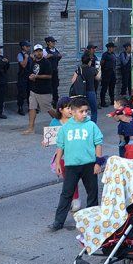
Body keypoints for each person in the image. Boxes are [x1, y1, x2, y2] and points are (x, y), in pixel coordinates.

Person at [49, 97, 103, 231]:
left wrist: (98, 163)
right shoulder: (65, 128)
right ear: (72, 112)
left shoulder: (91, 125)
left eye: (86, 111)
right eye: (81, 111)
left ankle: (92, 220)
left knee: (92, 192)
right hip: (71, 166)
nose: (85, 114)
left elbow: (98, 144)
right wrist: (57, 164)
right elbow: (60, 147)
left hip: (89, 165)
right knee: (66, 193)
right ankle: (58, 221)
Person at [46, 96, 81, 213]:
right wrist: (46, 142)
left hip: (77, 154)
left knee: (73, 178)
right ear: (60, 110)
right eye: (68, 108)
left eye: (72, 108)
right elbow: (51, 138)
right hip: (62, 156)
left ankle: (75, 199)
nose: (71, 110)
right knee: (69, 179)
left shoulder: (76, 120)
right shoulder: (55, 122)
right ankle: (74, 199)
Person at [22, 45, 54, 134]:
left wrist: (37, 76)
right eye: (37, 51)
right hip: (33, 90)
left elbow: (49, 75)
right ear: (34, 52)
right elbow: (30, 73)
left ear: (42, 52)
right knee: (32, 108)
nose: (38, 52)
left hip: (44, 91)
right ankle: (31, 128)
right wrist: (31, 77)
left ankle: (63, 120)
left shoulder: (46, 62)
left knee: (48, 109)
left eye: (40, 51)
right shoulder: (33, 62)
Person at [69, 53, 98, 122]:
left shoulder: (79, 69)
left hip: (80, 93)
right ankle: (92, 125)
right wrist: (99, 70)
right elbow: (98, 78)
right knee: (93, 110)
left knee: (81, 109)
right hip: (91, 92)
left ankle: (81, 123)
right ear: (89, 61)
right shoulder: (92, 69)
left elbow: (73, 81)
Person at [43, 36, 63, 107]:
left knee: (55, 87)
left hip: (55, 71)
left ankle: (55, 102)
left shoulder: (55, 50)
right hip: (48, 72)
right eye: (52, 42)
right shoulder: (44, 50)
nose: (54, 43)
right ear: (48, 43)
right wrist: (49, 56)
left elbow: (59, 55)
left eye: (54, 42)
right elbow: (42, 59)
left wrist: (54, 55)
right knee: (47, 87)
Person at [16, 41, 33, 116]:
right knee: (22, 93)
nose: (28, 48)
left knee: (30, 93)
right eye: (27, 46)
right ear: (23, 47)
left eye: (29, 46)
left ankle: (31, 108)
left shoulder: (30, 54)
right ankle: (20, 108)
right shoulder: (20, 55)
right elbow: (23, 65)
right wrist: (26, 58)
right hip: (22, 76)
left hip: (29, 76)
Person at [100, 42, 118, 107]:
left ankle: (112, 101)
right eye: (112, 47)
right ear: (109, 48)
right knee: (104, 88)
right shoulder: (105, 55)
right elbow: (101, 63)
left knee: (112, 87)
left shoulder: (113, 54)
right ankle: (102, 102)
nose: (113, 49)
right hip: (106, 73)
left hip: (112, 73)